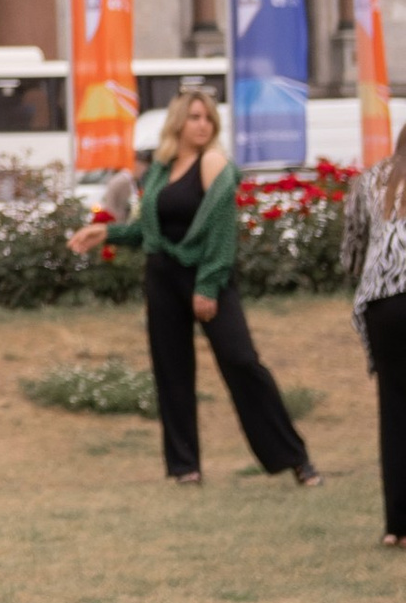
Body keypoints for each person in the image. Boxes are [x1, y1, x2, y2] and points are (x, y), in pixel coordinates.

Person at [71, 88, 321, 488]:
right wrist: (107, 232)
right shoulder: (157, 170)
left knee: (242, 363)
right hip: (162, 278)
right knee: (172, 372)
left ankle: (296, 459)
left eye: (208, 118)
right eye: (195, 117)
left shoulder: (213, 163)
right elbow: (148, 231)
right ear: (178, 123)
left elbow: (221, 234)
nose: (203, 124)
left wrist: (206, 286)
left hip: (208, 276)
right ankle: (184, 467)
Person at [341, 135, 406, 547]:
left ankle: (396, 527)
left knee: (394, 410)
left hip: (382, 306)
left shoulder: (370, 180)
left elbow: (351, 250)